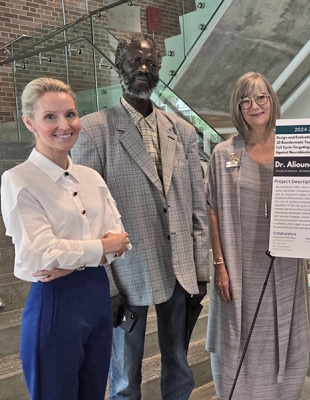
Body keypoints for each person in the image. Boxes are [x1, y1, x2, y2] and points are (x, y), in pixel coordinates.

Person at [70, 33, 209, 399]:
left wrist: (201, 270)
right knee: (124, 377)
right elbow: (86, 217)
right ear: (120, 66)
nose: (144, 69)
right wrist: (108, 286)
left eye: (151, 63)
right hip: (126, 272)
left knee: (179, 366)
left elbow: (196, 206)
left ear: (160, 70)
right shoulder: (95, 130)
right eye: (136, 61)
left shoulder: (183, 131)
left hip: (179, 269)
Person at [1, 77, 131, 399]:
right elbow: (39, 254)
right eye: (50, 117)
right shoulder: (19, 180)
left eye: (70, 114)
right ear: (29, 122)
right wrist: (99, 249)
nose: (65, 125)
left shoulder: (91, 177)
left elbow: (122, 242)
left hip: (98, 295)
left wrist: (73, 260)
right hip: (55, 301)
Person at [205, 72, 310, 399]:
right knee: (241, 339)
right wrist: (219, 264)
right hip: (239, 266)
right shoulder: (224, 153)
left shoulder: (295, 146)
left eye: (261, 97)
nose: (255, 105)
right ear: (238, 107)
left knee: (285, 335)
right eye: (246, 100)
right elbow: (211, 208)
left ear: (272, 100)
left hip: (285, 265)